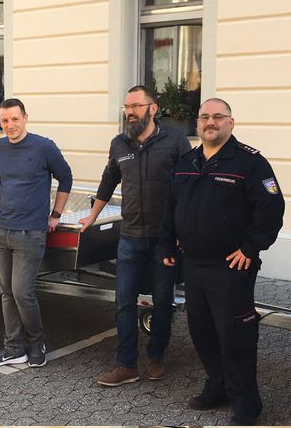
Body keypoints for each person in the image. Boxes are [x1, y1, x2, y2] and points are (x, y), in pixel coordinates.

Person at [158, 98, 284, 426]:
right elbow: (171, 205)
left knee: (235, 336)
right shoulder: (187, 161)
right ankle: (218, 388)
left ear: (231, 122)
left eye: (217, 116)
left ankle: (246, 403)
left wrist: (251, 248)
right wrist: (166, 242)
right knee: (202, 331)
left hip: (231, 267)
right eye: (204, 117)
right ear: (197, 124)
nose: (210, 122)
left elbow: (271, 208)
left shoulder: (250, 163)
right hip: (193, 264)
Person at [79, 85, 191, 386]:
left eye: (136, 106)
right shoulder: (119, 144)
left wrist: (183, 230)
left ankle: (156, 357)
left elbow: (189, 186)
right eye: (127, 107)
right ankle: (126, 364)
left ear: (153, 108)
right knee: (123, 301)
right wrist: (92, 216)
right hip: (130, 236)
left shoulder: (176, 141)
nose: (129, 112)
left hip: (164, 239)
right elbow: (108, 180)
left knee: (163, 300)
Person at [0, 98, 72, 368]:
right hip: (1, 230)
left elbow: (66, 177)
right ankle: (13, 348)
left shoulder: (43, 146)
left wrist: (56, 214)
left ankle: (36, 343)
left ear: (25, 118)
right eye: (4, 120)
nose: (10, 125)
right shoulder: (0, 147)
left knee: (22, 292)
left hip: (30, 232)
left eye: (14, 119)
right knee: (6, 292)